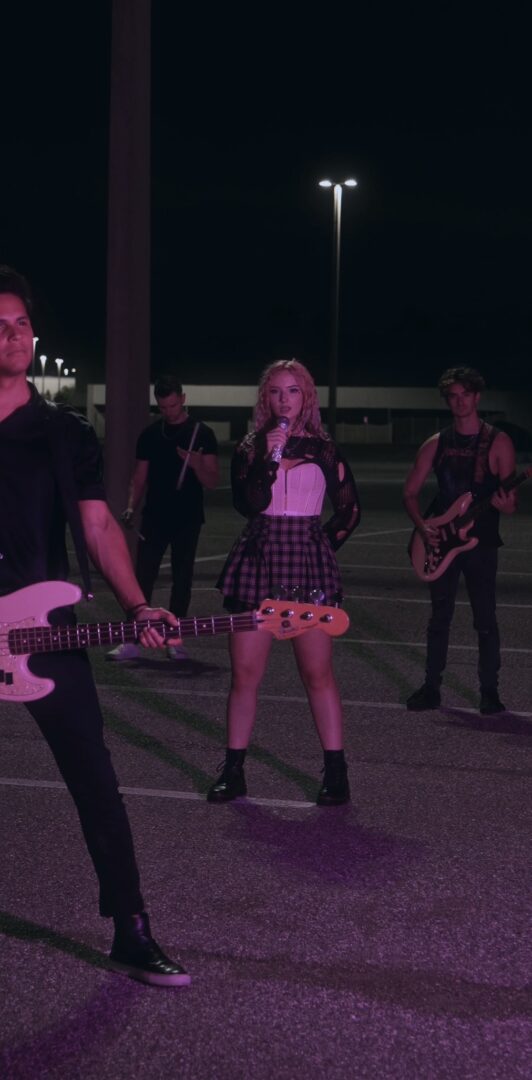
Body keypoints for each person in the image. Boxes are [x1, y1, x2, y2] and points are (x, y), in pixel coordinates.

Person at [0, 266, 190, 987]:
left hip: (42, 628)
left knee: (95, 778)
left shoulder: (63, 432)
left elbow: (99, 525)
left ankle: (131, 928)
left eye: (22, 324)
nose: (13, 336)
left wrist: (138, 607)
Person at [207, 358, 360, 806]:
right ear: (265, 398)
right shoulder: (250, 448)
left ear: (306, 396)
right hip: (258, 560)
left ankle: (336, 775)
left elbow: (350, 511)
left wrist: (319, 547)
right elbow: (248, 504)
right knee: (245, 674)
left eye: (292, 390)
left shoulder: (325, 449)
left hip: (307, 562)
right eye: (275, 391)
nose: (284, 399)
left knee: (317, 672)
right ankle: (233, 771)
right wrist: (265, 459)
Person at [403, 366, 517, 714]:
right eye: (453, 396)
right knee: (439, 617)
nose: (459, 401)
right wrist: (423, 526)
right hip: (441, 539)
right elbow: (410, 493)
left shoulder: (498, 442)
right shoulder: (436, 444)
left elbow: (511, 503)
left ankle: (489, 692)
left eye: (465, 394)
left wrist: (506, 504)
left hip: (481, 544)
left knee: (485, 620)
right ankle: (431, 688)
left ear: (477, 397)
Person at [107, 375, 219, 661]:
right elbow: (139, 477)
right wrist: (131, 507)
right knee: (142, 576)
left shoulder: (202, 433)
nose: (169, 412)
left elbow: (212, 480)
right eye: (163, 407)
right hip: (155, 516)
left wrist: (196, 464)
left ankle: (174, 639)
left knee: (182, 579)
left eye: (173, 405)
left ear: (183, 399)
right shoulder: (150, 434)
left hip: (188, 517)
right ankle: (131, 639)